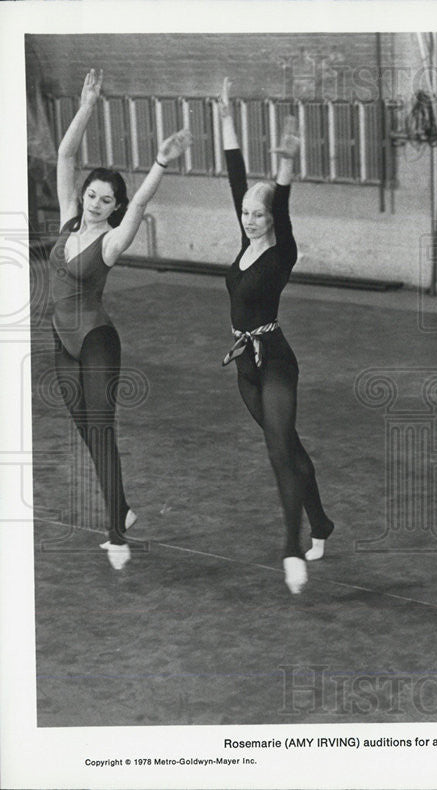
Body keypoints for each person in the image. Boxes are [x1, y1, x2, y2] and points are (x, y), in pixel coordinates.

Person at [51, 69, 192, 570]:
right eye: (93, 194)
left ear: (114, 207)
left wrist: (159, 162)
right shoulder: (69, 216)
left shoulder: (111, 240)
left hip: (96, 342)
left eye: (106, 200)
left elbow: (144, 202)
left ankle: (117, 536)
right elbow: (66, 156)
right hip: (61, 341)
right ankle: (123, 508)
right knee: (86, 430)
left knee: (102, 430)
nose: (95, 203)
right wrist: (87, 105)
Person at [218, 78, 336, 594]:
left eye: (258, 213)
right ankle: (322, 522)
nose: (249, 220)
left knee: (277, 451)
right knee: (287, 444)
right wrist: (225, 113)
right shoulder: (245, 234)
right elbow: (236, 175)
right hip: (246, 365)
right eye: (245, 213)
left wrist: (287, 161)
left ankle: (292, 547)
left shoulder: (281, 250)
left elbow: (280, 198)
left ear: (272, 219)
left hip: (277, 360)